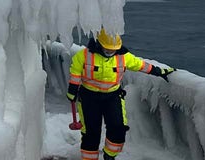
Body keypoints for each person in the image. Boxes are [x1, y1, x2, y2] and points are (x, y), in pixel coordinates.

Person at [67, 29, 176, 160]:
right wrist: (72, 90)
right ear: (99, 45)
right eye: (107, 49)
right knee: (91, 133)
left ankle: (109, 155)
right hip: (89, 98)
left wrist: (160, 72)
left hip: (112, 97)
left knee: (118, 129)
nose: (110, 52)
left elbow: (141, 65)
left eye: (113, 49)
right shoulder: (84, 55)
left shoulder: (124, 57)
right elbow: (75, 72)